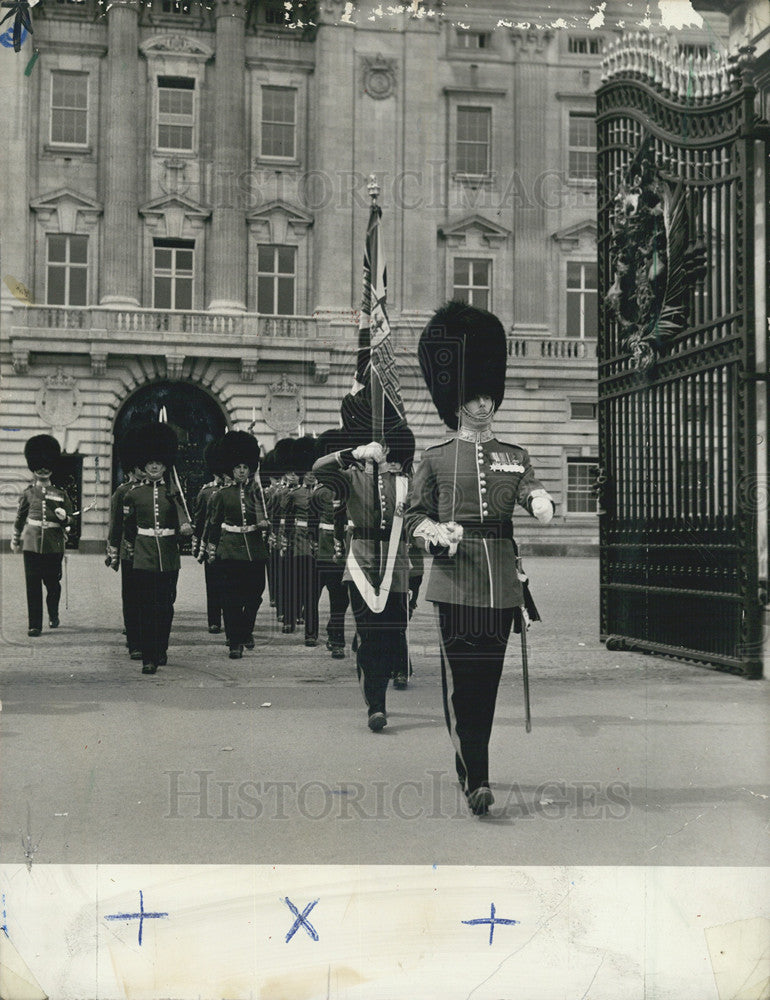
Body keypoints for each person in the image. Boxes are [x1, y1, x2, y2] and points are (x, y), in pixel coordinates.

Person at [406, 300, 554, 816]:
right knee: (465, 682)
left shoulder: (513, 454)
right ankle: (478, 776)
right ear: (457, 401)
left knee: (486, 684)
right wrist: (432, 534)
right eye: (474, 396)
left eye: (489, 394)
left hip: (500, 586)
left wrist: (538, 500)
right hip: (454, 580)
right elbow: (412, 516)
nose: (484, 403)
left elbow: (529, 486)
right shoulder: (436, 457)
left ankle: (475, 765)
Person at [313, 420, 414, 733]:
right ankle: (376, 705)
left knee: (392, 633)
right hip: (361, 561)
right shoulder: (352, 476)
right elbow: (320, 468)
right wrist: (352, 453)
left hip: (396, 563)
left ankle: (379, 685)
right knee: (370, 636)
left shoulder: (405, 481)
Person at [122, 422, 192, 674]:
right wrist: (131, 550)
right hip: (143, 556)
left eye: (159, 463)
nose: (154, 466)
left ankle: (161, 647)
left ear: (165, 465)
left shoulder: (174, 493)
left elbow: (184, 523)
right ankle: (148, 658)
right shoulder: (133, 494)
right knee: (145, 606)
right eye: (150, 462)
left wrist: (184, 527)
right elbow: (128, 529)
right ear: (144, 463)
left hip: (169, 556)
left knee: (165, 606)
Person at [205, 431, 269, 659]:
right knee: (231, 597)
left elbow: (265, 520)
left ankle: (245, 629)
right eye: (237, 467)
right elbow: (214, 524)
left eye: (245, 466)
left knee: (255, 594)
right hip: (230, 549)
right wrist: (211, 548)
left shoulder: (257, 493)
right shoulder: (221, 495)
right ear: (230, 469)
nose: (241, 470)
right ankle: (235, 640)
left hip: (254, 549)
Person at [12, 434, 73, 637]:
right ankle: (35, 624)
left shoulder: (61, 493)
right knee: (32, 583)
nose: (43, 469)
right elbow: (21, 517)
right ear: (33, 466)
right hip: (31, 541)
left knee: (52, 584)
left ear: (52, 466)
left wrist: (64, 519)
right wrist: (15, 537)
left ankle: (53, 612)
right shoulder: (28, 493)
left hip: (53, 543)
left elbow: (71, 519)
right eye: (39, 465)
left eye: (46, 465)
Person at [307, 429, 350, 659]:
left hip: (343, 552)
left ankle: (336, 637)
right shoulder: (320, 493)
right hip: (322, 552)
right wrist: (313, 546)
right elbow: (312, 525)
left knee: (340, 599)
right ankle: (311, 632)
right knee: (314, 596)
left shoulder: (351, 489)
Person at [106, 428, 143, 659]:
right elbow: (115, 524)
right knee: (131, 596)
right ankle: (133, 638)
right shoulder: (122, 491)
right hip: (131, 551)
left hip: (152, 551)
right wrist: (113, 551)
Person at [192, 439, 225, 635]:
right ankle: (214, 620)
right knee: (213, 585)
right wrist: (198, 546)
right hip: (212, 543)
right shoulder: (206, 492)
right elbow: (200, 520)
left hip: (233, 543)